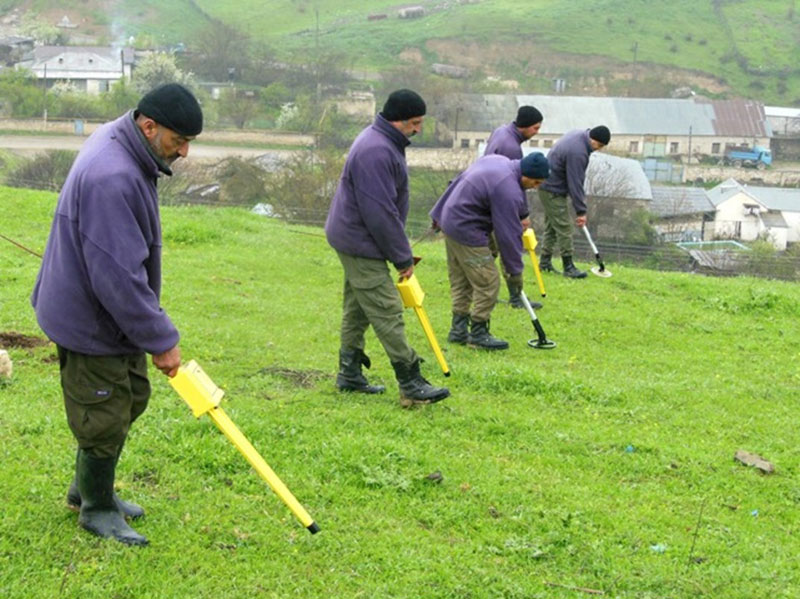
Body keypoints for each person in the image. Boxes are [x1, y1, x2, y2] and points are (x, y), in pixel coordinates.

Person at [31, 83, 203, 546]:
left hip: (102, 309)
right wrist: (162, 339)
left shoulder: (125, 139)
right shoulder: (113, 176)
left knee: (132, 398)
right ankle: (96, 508)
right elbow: (119, 276)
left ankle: (88, 486)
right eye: (177, 140)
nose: (183, 151)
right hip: (89, 317)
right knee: (103, 415)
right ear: (149, 126)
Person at [325, 89, 449, 408]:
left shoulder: (382, 141)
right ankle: (411, 381)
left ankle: (349, 373)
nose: (418, 129)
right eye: (415, 123)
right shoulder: (376, 151)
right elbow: (380, 212)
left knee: (358, 307)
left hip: (355, 237)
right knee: (386, 308)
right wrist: (402, 257)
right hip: (360, 240)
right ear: (398, 121)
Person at [429, 152, 549, 350]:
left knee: (462, 279)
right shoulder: (507, 189)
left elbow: (458, 181)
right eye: (535, 182)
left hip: (449, 220)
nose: (536, 187)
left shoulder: (498, 161)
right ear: (525, 174)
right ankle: (478, 333)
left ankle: (458, 330)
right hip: (466, 229)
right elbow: (508, 236)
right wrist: (514, 272)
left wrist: (437, 214)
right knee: (488, 281)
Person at [484, 106, 544, 310]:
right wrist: (523, 214)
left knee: (490, 249)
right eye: (535, 128)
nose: (537, 132)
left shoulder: (501, 131)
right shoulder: (511, 147)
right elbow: (518, 183)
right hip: (499, 203)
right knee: (508, 246)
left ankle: (485, 290)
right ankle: (516, 297)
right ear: (525, 126)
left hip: (488, 198)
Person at [537, 126, 611, 279]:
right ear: (593, 140)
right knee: (564, 228)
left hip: (548, 184)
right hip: (552, 188)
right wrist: (581, 211)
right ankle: (568, 267)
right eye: (599, 146)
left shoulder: (579, 134)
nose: (598, 150)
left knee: (552, 226)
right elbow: (575, 182)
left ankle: (544, 262)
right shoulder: (579, 152)